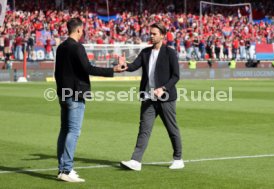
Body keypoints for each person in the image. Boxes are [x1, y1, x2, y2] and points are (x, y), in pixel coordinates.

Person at [54, 18, 127, 182]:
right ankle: (66, 169)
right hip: (75, 94)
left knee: (65, 130)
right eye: (83, 29)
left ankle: (62, 169)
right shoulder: (77, 47)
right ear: (79, 30)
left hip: (63, 93)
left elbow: (57, 73)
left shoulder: (61, 47)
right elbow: (89, 68)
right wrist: (113, 70)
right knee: (73, 131)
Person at [119, 22, 184, 171]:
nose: (151, 36)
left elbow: (176, 76)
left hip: (166, 98)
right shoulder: (145, 52)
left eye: (154, 34)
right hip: (148, 97)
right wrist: (124, 65)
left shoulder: (170, 53)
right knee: (144, 129)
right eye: (151, 33)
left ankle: (178, 159)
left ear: (162, 35)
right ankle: (136, 161)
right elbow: (133, 66)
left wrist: (164, 88)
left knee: (171, 128)